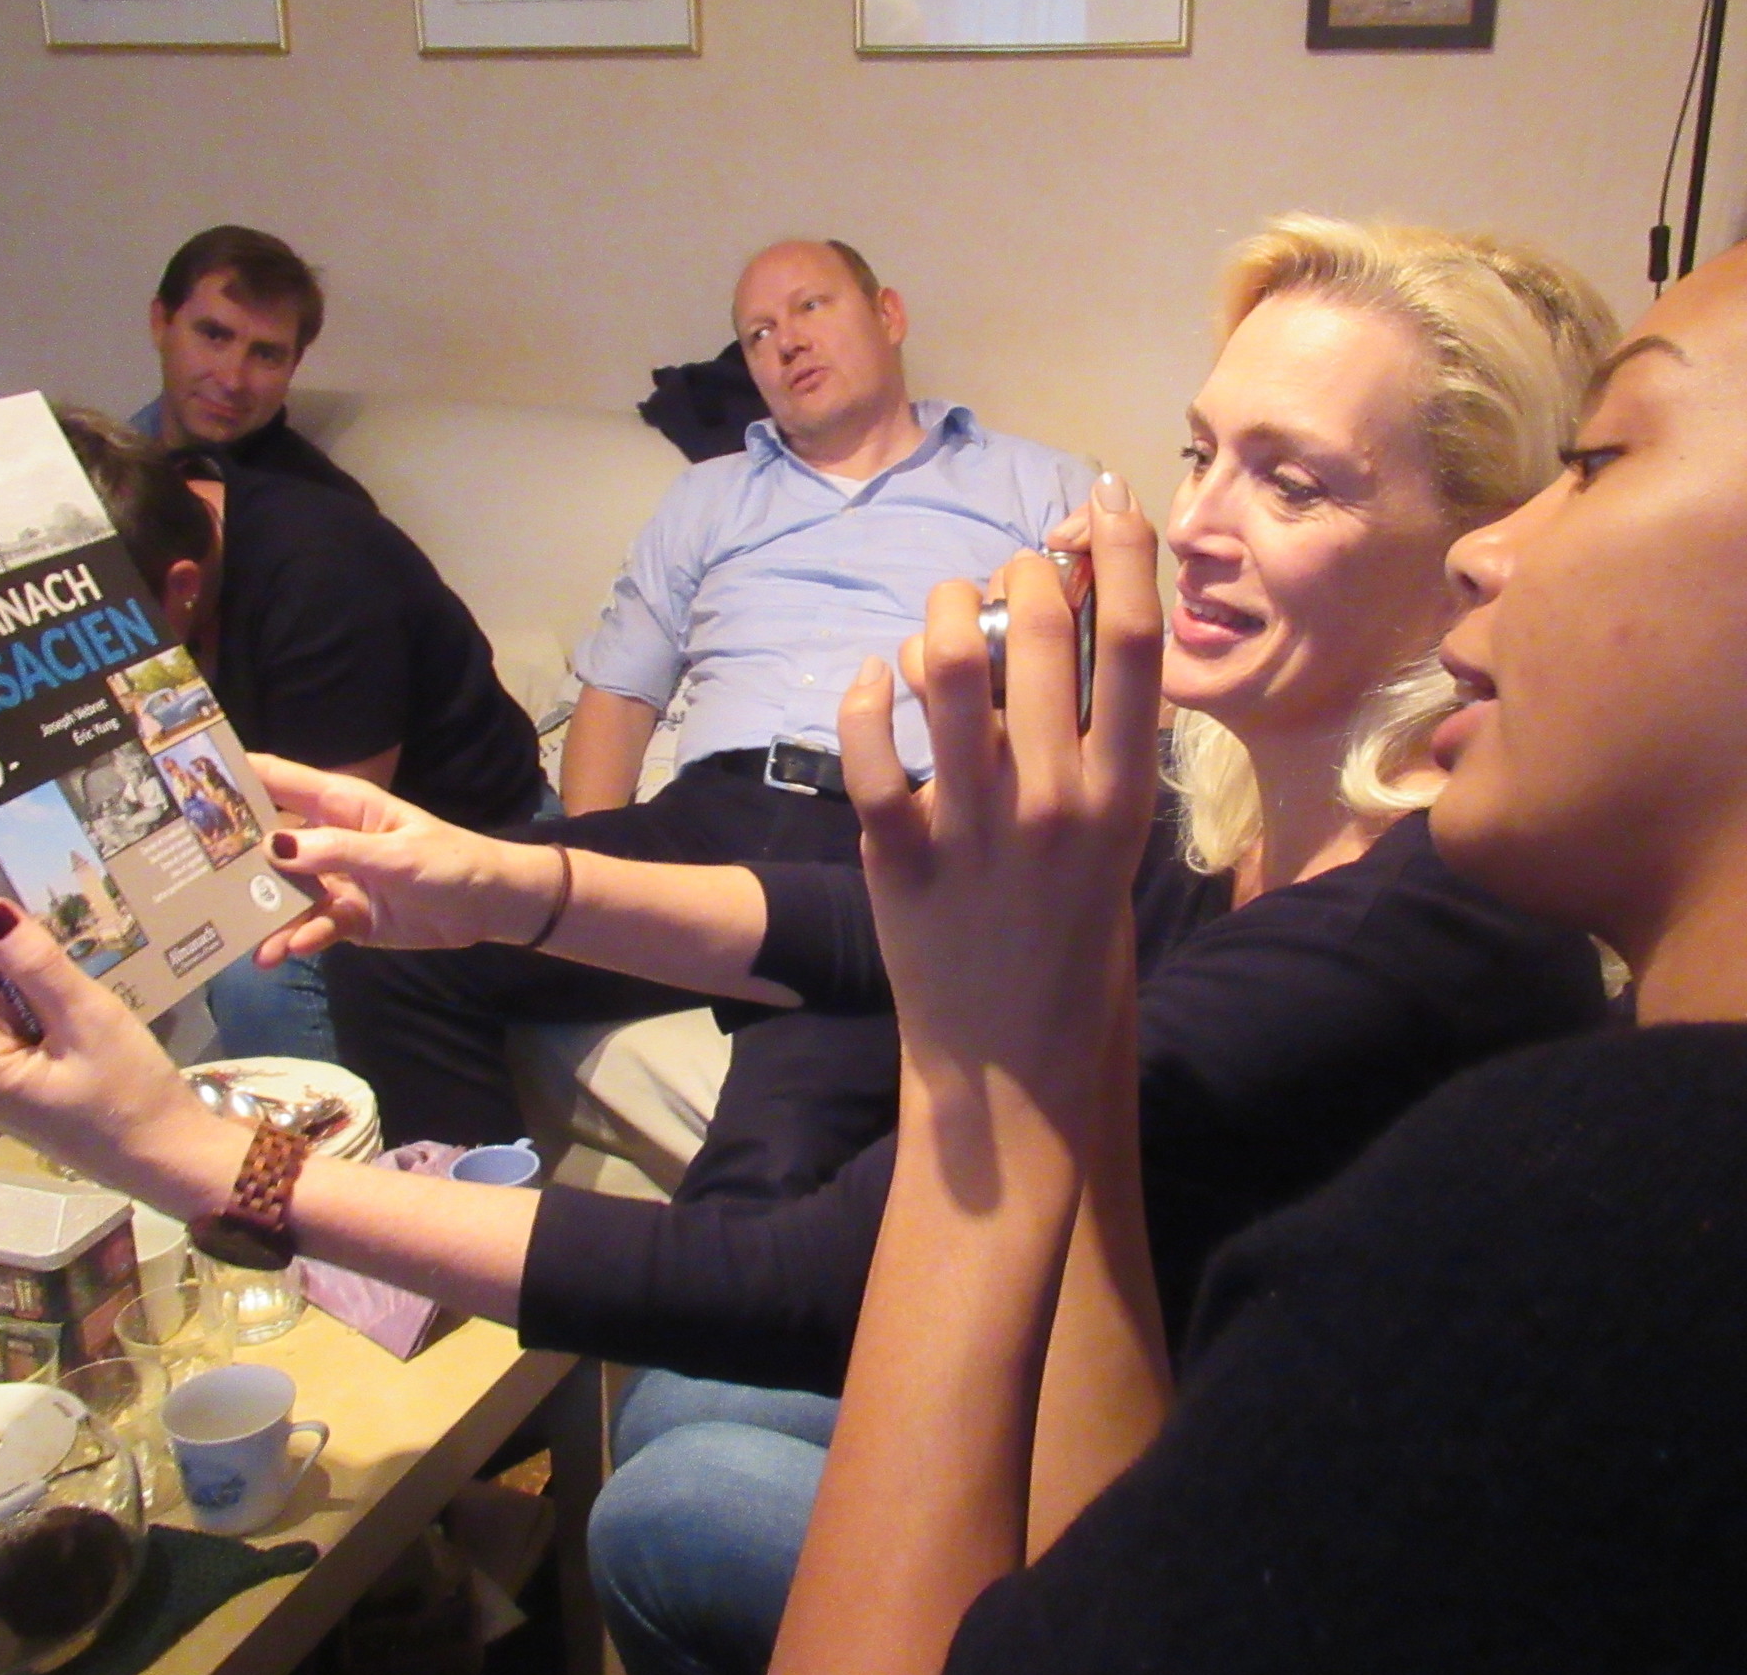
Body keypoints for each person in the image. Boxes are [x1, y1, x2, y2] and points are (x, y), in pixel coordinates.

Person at [0, 219, 1620, 1675]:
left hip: (1211, 1558)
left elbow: (807, 1271)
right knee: (673, 1403)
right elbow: (855, 922)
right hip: (1070, 1358)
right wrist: (496, 875)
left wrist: (210, 1161)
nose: (1197, 528)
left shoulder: (1402, 936)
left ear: (1483, 550)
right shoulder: (1215, 796)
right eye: (1199, 454)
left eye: (1293, 484)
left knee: (674, 1502)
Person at [724, 128, 1747, 1675]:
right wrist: (1069, 1011)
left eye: (1602, 457)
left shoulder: (1619, 1205)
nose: (1486, 546)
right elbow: (1132, 1642)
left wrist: (977, 1090)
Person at [323, 237, 1093, 1142]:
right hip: (705, 819)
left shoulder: (1039, 484)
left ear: (888, 314)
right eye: (758, 333)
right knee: (395, 944)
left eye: (811, 307)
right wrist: (593, 876)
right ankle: (469, 1216)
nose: (787, 342)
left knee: (780, 1140)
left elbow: (1101, 706)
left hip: (891, 837)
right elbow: (620, 695)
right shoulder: (708, 496)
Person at [74, 416, 545, 1061]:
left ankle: (331, 1131)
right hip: (290, 819)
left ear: (182, 587)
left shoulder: (323, 573)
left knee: (259, 971)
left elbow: (330, 829)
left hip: (467, 833)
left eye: (98, 643)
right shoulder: (153, 527)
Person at [132, 225, 373, 506]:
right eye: (214, 336)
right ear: (161, 324)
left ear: (294, 364)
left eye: (266, 355)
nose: (232, 381)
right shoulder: (103, 463)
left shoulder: (323, 507)